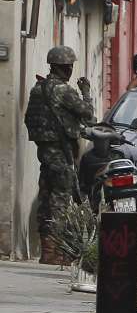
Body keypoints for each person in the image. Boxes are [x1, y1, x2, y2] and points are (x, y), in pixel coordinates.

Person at [24, 46, 95, 265]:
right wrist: (85, 92)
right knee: (61, 198)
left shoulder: (39, 88)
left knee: (46, 196)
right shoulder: (63, 90)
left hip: (45, 149)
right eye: (69, 67)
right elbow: (88, 113)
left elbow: (30, 118)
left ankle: (47, 250)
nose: (71, 70)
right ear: (65, 68)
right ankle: (54, 251)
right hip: (60, 149)